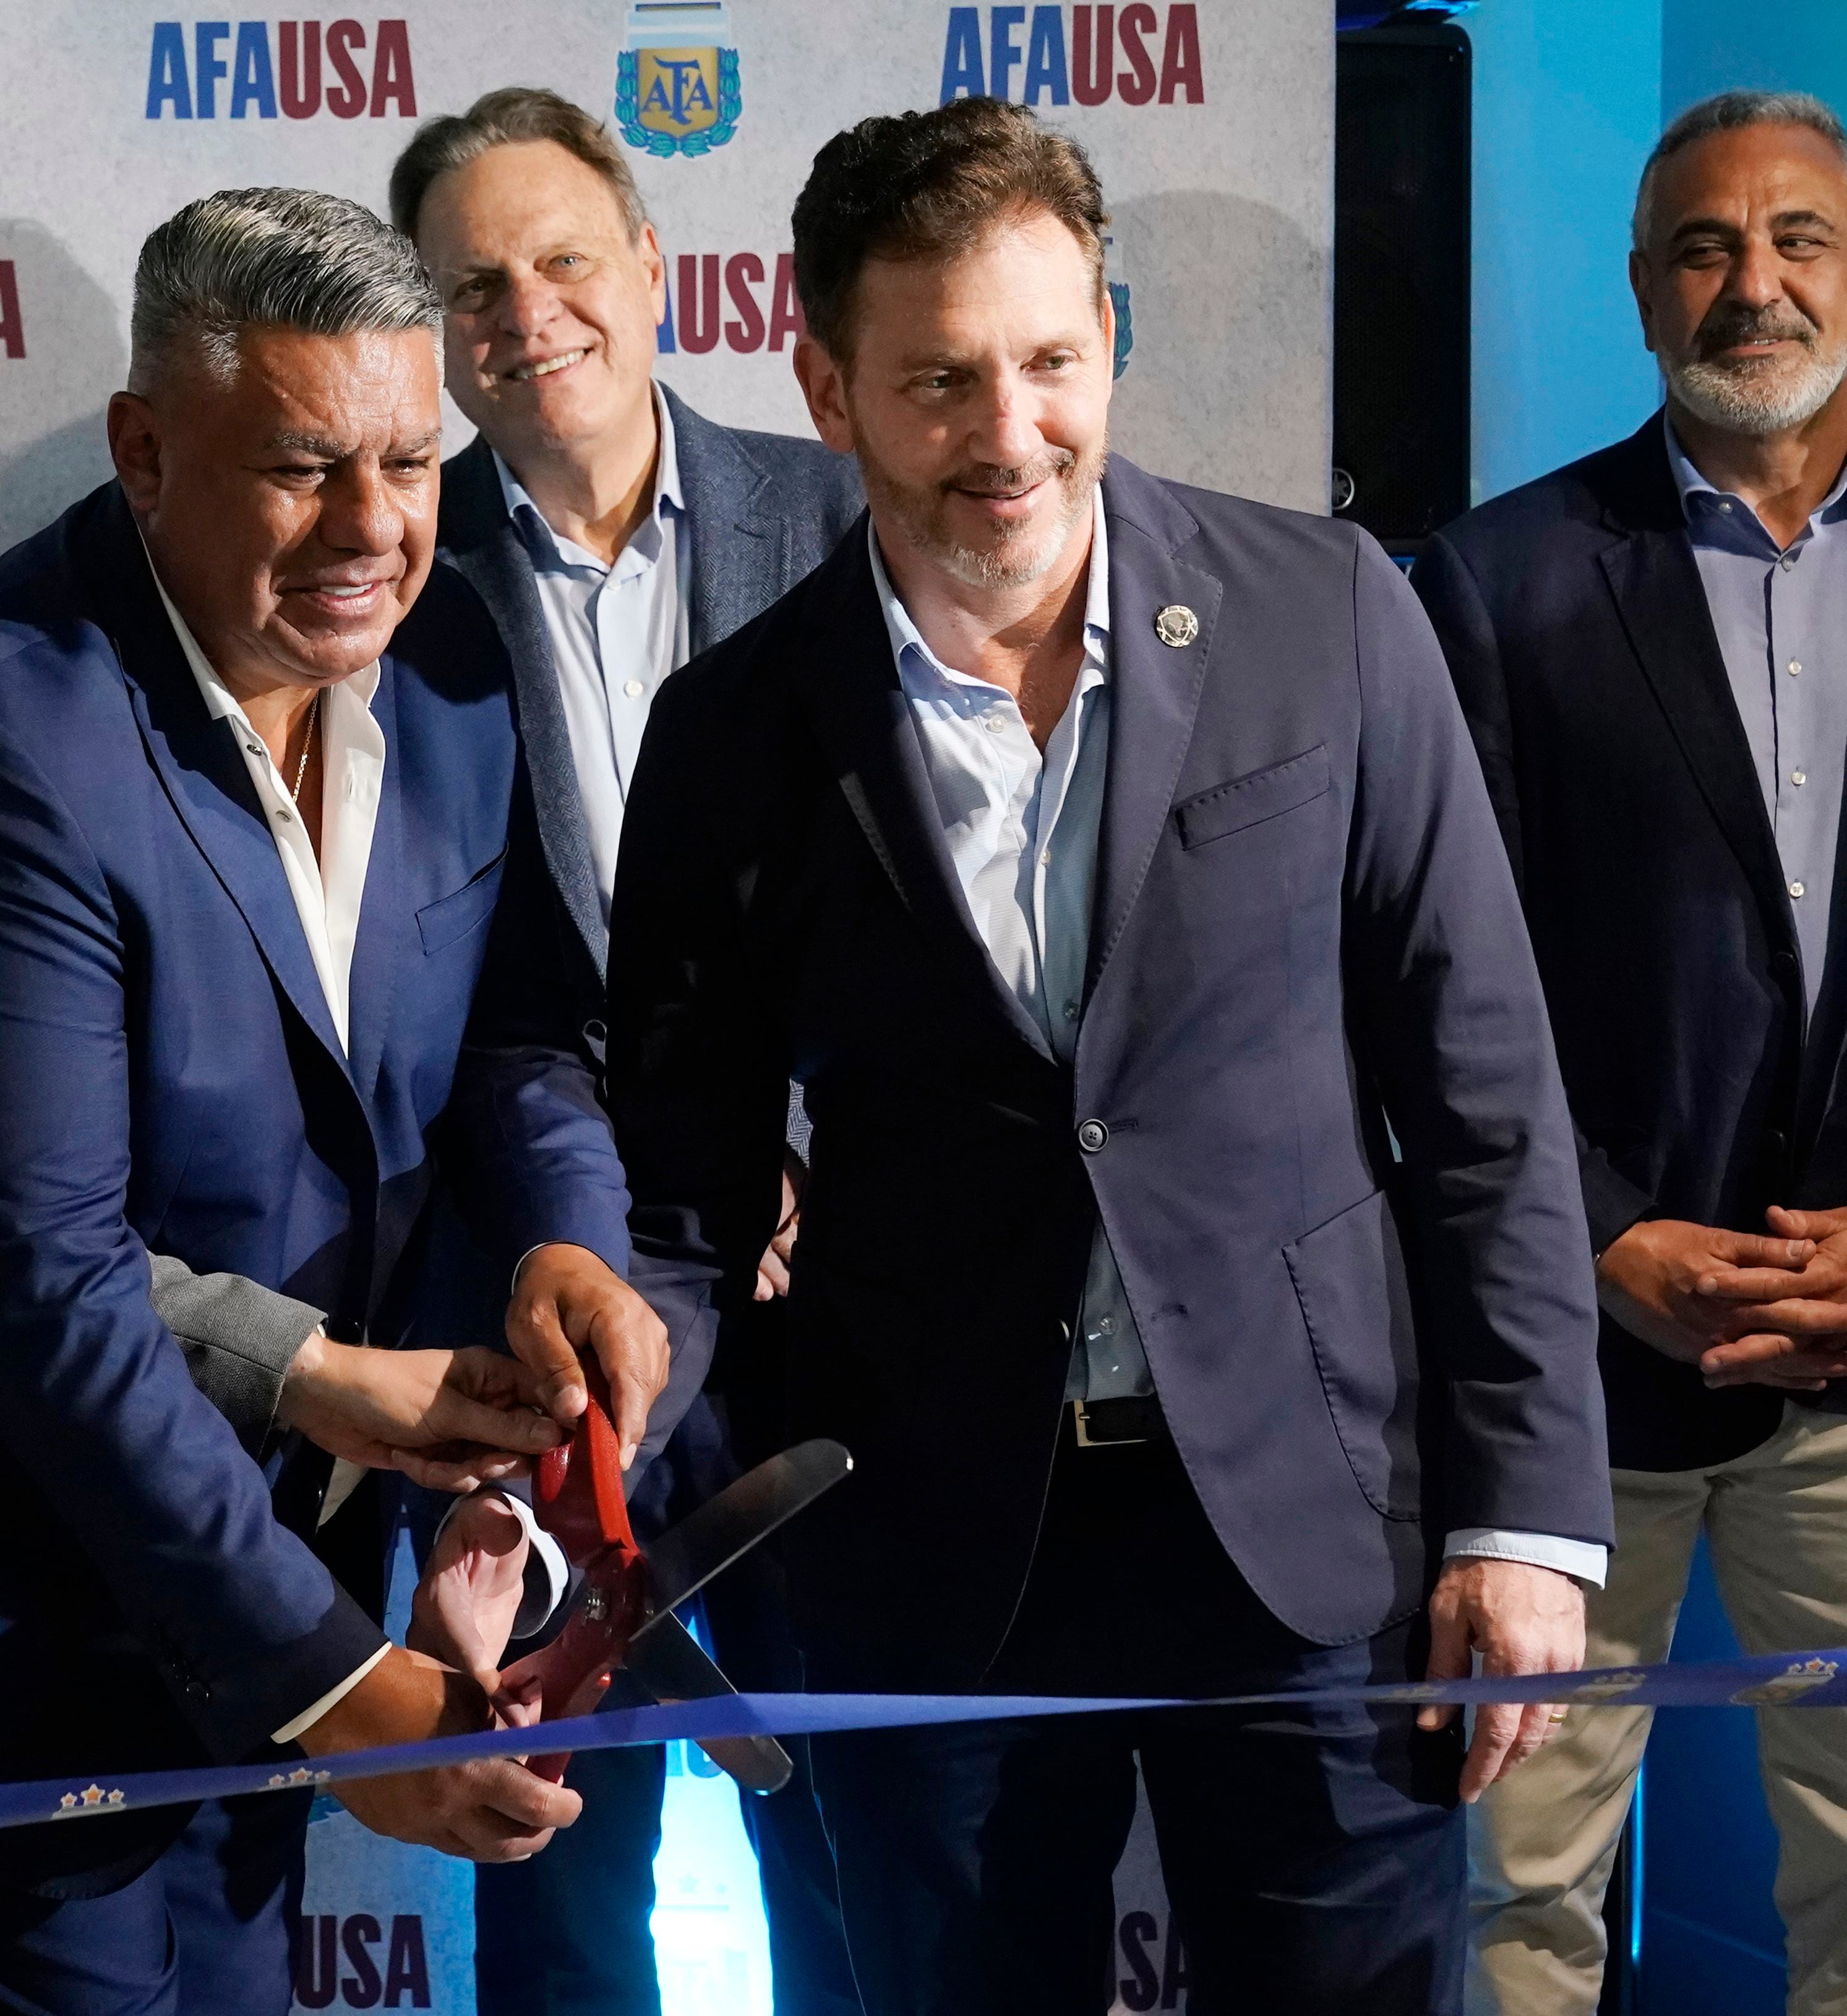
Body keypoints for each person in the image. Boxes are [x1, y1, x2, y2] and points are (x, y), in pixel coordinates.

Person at [601, 98, 1613, 2012]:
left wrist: (1523, 1514)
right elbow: (680, 1187)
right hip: (921, 1555)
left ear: (1109, 343)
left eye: (1053, 361)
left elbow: (1482, 1096)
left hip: (1320, 1531)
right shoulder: (732, 729)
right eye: (941, 379)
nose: (1010, 433)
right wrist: (625, 1499)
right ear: (824, 383)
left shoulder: (1328, 615)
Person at [0, 186, 689, 2014]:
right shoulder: (7, 736)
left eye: (410, 460)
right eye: (302, 468)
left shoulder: (451, 650)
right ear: (144, 448)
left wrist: (560, 1239)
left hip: (253, 1556)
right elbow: (42, 1285)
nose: (372, 528)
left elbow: (521, 1031)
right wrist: (353, 1692)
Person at [385, 86, 864, 2016]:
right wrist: (603, 1221)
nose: (530, 312)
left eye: (565, 258)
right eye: (475, 284)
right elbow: (469, 1006)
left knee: (848, 1843)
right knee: (563, 1868)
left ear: (654, 268)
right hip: (555, 1304)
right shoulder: (389, 591)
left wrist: (808, 1157)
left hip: (844, 1311)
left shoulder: (838, 513)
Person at [1413, 88, 1847, 2016]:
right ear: (1639, 283)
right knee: (1514, 1906)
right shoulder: (1492, 583)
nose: (1752, 285)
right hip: (1567, 1386)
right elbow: (1420, 996)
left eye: (1798, 240)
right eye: (1702, 246)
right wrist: (1599, 1240)